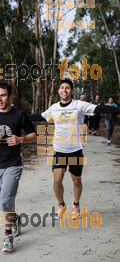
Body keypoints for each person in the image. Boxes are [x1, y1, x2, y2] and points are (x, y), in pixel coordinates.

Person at [30, 79, 120, 219]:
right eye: (62, 88)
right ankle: (61, 205)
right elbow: (39, 117)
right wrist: (18, 115)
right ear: (59, 91)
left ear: (71, 91)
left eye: (67, 88)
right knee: (57, 180)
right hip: (59, 150)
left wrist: (117, 109)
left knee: (76, 180)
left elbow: (99, 109)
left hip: (75, 150)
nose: (64, 90)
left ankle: (76, 205)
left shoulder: (79, 105)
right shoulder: (54, 108)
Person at [0, 83, 36, 252]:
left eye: (3, 95)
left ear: (10, 96)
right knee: (5, 202)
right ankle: (15, 218)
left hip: (13, 163)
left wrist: (20, 140)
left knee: (4, 200)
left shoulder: (19, 114)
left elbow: (32, 134)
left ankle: (7, 235)